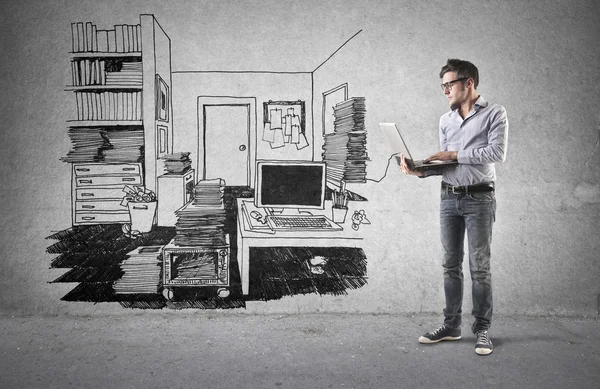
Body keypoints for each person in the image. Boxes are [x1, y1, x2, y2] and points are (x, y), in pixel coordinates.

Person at [400, 58, 508, 356]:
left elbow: (496, 152)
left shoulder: (494, 114)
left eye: (449, 84)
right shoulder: (446, 120)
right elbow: (448, 163)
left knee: (479, 268)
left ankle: (482, 330)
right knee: (450, 265)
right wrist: (422, 169)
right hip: (449, 197)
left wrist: (454, 153)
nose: (445, 91)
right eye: (443, 86)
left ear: (468, 83)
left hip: (479, 198)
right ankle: (451, 326)